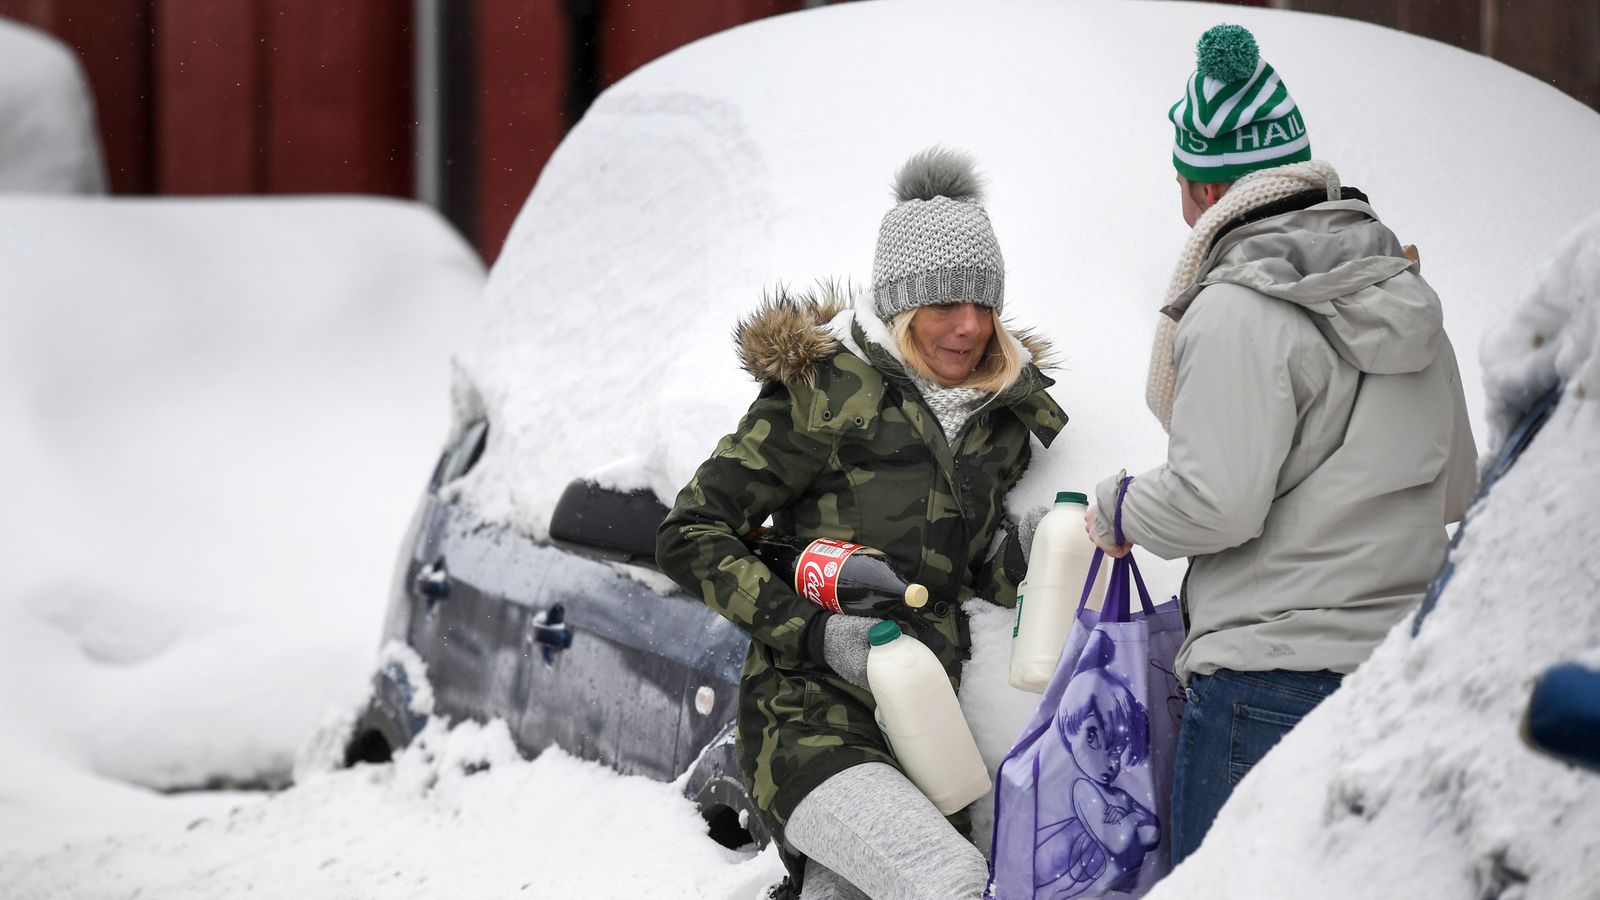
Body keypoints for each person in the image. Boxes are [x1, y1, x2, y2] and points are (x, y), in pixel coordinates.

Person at [1082, 24, 1478, 866]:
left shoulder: (1234, 308)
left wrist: (1121, 505)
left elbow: (1214, 502)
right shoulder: (1405, 292)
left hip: (1265, 690)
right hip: (1398, 678)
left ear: (1202, 189)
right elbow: (1455, 489)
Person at [657, 147, 1067, 900]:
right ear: (903, 307)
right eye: (945, 304)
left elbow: (965, 572)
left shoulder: (999, 417)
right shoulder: (825, 397)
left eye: (984, 305)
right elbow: (690, 533)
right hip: (808, 720)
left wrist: (1033, 553)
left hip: (929, 727)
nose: (969, 327)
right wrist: (815, 632)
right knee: (946, 881)